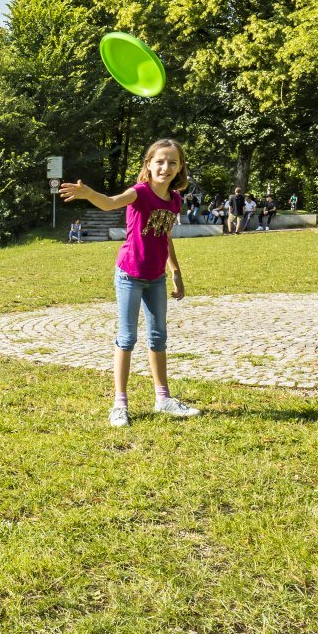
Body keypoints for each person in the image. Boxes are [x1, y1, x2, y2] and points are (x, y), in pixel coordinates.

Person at [58, 139, 203, 427]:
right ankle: (119, 404)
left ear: (180, 167)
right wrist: (88, 193)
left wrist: (175, 271)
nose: (165, 167)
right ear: (148, 164)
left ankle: (163, 399)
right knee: (126, 339)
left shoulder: (174, 199)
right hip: (129, 275)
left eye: (172, 162)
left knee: (158, 336)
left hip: (156, 278)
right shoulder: (139, 193)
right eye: (160, 161)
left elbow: (165, 235)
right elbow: (110, 203)